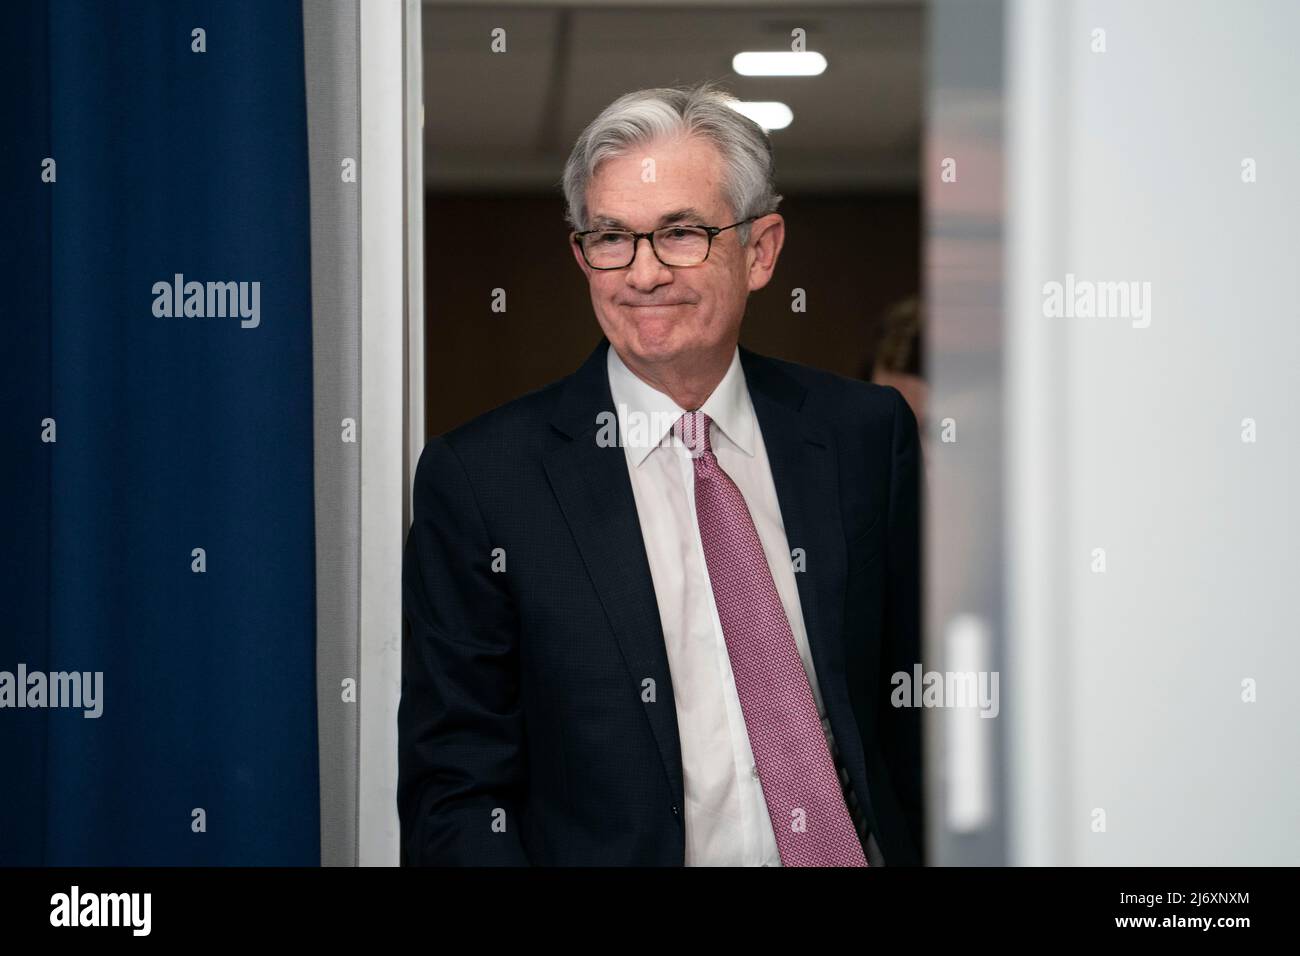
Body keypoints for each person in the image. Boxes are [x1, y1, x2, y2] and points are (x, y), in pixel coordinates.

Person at [398, 82, 923, 866]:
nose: (641, 273)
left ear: (762, 250)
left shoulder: (862, 437)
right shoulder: (484, 483)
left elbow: (918, 716)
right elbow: (456, 789)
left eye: (680, 232)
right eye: (610, 238)